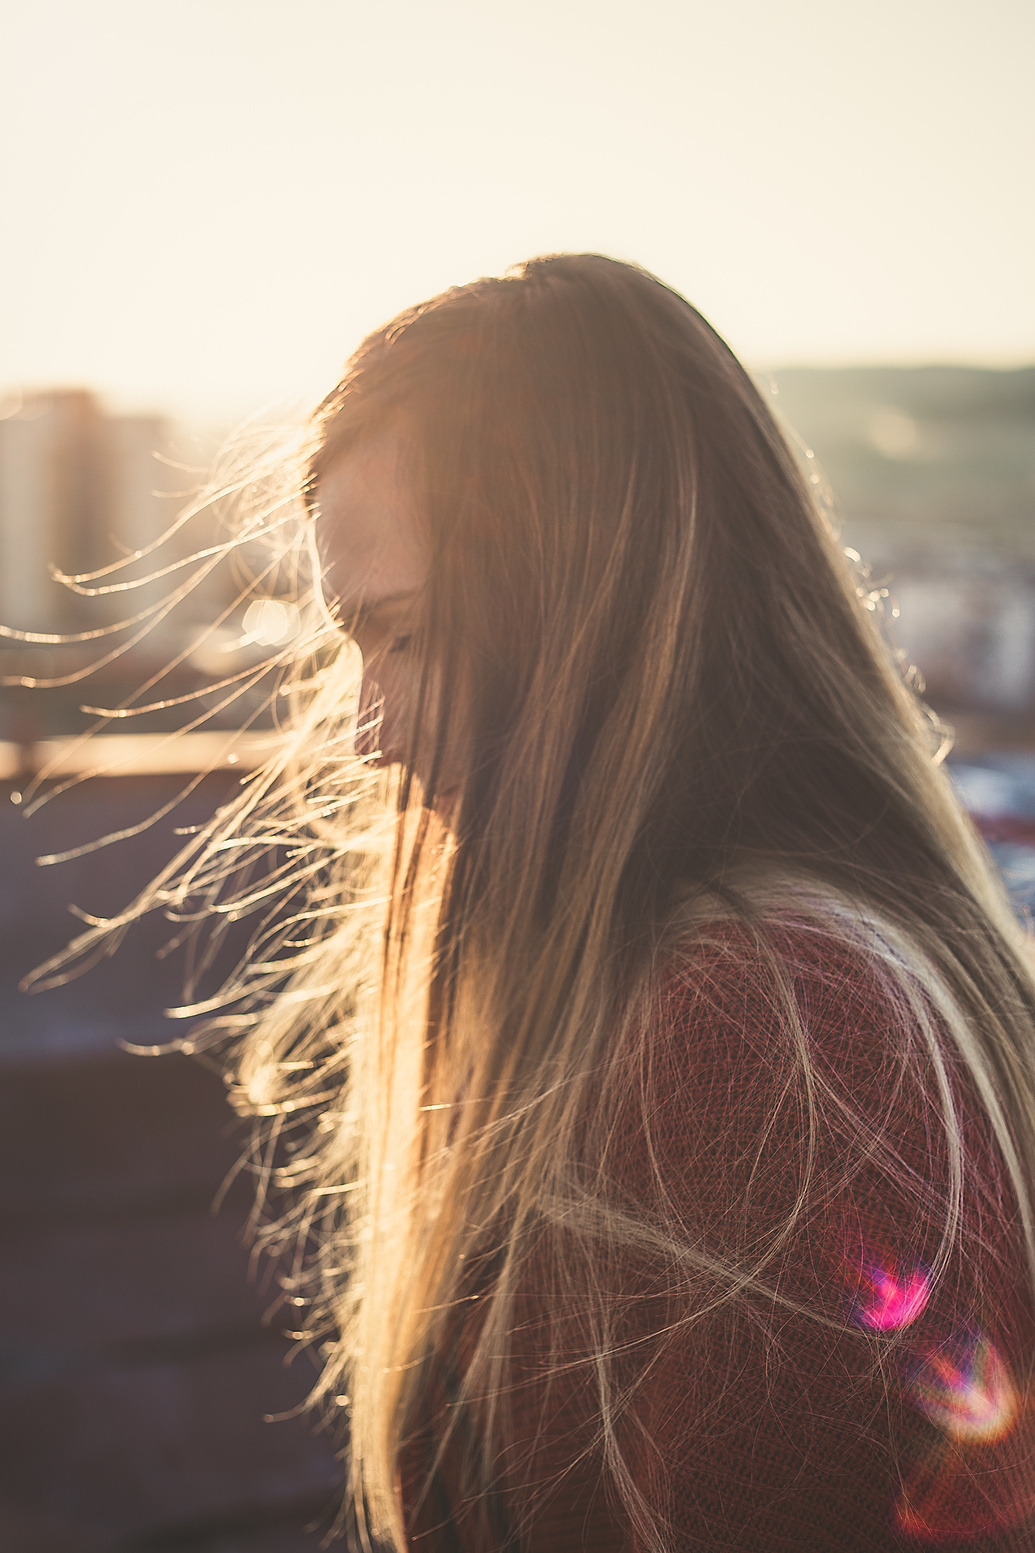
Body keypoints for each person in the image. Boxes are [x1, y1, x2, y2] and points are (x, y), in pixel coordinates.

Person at [116, 254, 1035, 1549]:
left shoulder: (769, 1025)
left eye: (409, 634)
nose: (368, 728)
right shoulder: (746, 982)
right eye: (352, 645)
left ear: (591, 608)